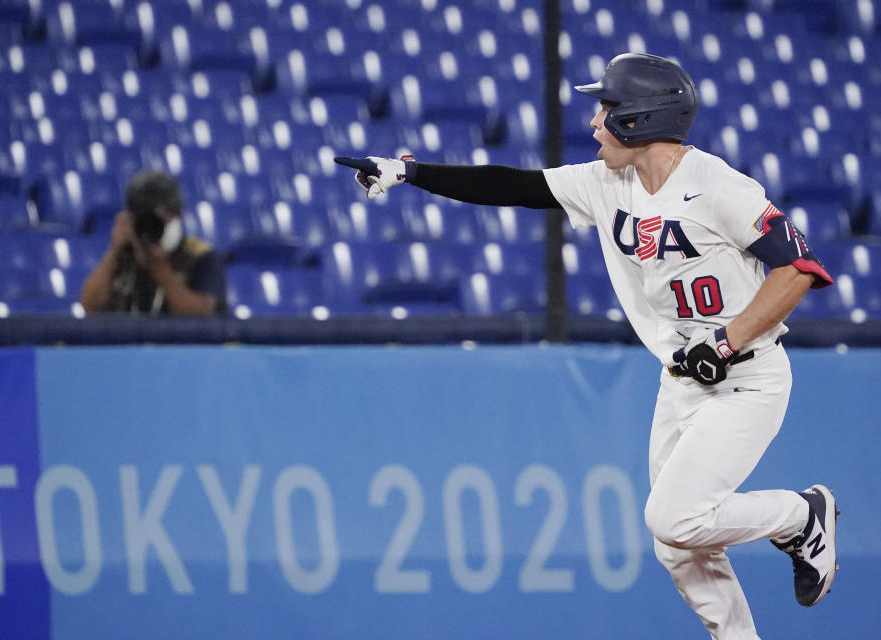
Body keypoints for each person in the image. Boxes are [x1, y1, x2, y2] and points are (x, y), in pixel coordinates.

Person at [336, 53, 838, 639]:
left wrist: (725, 343)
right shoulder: (607, 183)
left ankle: (801, 515)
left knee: (674, 517)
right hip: (682, 380)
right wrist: (411, 174)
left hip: (746, 379)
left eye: (608, 109)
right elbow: (513, 187)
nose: (596, 122)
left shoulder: (720, 186)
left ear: (640, 119)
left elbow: (798, 269)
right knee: (675, 546)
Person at [80, 169, 227, 316]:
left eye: (158, 221)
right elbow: (90, 307)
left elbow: (200, 316)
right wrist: (114, 250)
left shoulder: (201, 256)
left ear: (178, 215)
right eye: (144, 220)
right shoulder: (124, 254)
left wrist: (159, 269)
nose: (150, 228)